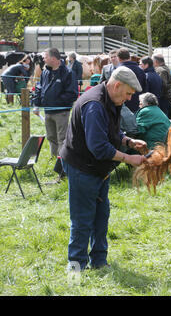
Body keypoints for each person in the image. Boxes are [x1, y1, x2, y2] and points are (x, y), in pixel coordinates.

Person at [60, 66, 147, 271]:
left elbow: (111, 132)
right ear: (117, 85)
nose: (128, 99)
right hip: (82, 167)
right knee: (82, 218)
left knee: (101, 215)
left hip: (99, 169)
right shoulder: (94, 105)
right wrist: (129, 158)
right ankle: (76, 266)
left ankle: (99, 261)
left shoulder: (111, 100)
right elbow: (98, 147)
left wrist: (129, 141)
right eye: (128, 94)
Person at [32, 48, 78, 157]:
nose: (43, 58)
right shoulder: (45, 72)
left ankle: (62, 162)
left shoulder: (68, 73)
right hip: (48, 111)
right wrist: (36, 104)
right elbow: (39, 88)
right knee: (51, 137)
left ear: (53, 58)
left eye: (45, 56)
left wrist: (55, 102)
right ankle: (53, 158)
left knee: (62, 138)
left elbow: (72, 93)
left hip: (61, 112)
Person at [117, 47, 147, 112]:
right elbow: (145, 88)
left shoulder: (118, 71)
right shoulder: (141, 70)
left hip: (122, 105)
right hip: (139, 104)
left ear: (118, 58)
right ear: (129, 57)